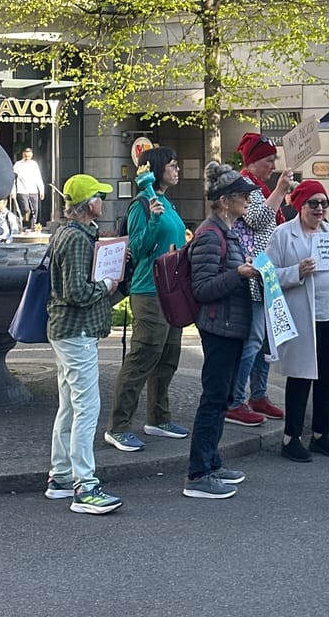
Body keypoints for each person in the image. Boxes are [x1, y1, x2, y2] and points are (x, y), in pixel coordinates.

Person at [45, 174, 123, 515]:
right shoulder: (77, 239)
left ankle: (61, 477)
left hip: (66, 331)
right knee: (86, 407)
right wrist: (107, 285)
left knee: (70, 406)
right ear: (87, 204)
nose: (102, 201)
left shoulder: (67, 234)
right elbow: (76, 291)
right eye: (98, 196)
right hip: (76, 332)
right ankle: (85, 486)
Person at [183, 162, 260, 499]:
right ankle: (198, 474)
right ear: (225, 200)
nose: (248, 200)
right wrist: (239, 275)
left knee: (222, 397)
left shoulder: (224, 231)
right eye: (242, 195)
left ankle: (212, 463)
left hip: (230, 326)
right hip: (219, 327)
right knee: (213, 400)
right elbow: (201, 288)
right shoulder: (211, 235)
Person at [265, 180, 329, 463]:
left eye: (324, 204)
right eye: (313, 203)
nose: (319, 209)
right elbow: (266, 275)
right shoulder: (283, 235)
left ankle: (320, 435)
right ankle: (291, 438)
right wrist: (296, 271)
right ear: (299, 205)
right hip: (304, 317)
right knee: (301, 375)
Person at [105, 146, 189, 452]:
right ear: (155, 170)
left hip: (172, 291)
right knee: (142, 357)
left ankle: (159, 417)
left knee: (168, 357)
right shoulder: (142, 204)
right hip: (149, 290)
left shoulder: (166, 202)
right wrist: (153, 223)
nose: (177, 169)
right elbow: (138, 250)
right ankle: (119, 425)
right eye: (172, 165)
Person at [225, 132, 292, 427]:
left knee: (266, 340)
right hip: (253, 271)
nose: (272, 165)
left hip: (265, 270)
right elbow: (258, 220)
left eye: (273, 160)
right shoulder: (246, 186)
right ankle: (235, 401)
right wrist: (279, 192)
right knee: (254, 339)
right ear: (251, 162)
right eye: (267, 160)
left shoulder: (258, 186)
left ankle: (259, 395)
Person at [13, 147, 45, 231]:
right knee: (26, 209)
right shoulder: (18, 164)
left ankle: (32, 227)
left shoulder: (34, 164)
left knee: (35, 210)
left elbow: (38, 177)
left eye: (28, 156)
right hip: (22, 190)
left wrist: (41, 190)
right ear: (23, 154)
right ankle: (24, 224)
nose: (27, 158)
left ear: (31, 155)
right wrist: (13, 190)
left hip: (33, 190)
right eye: (25, 156)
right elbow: (13, 178)